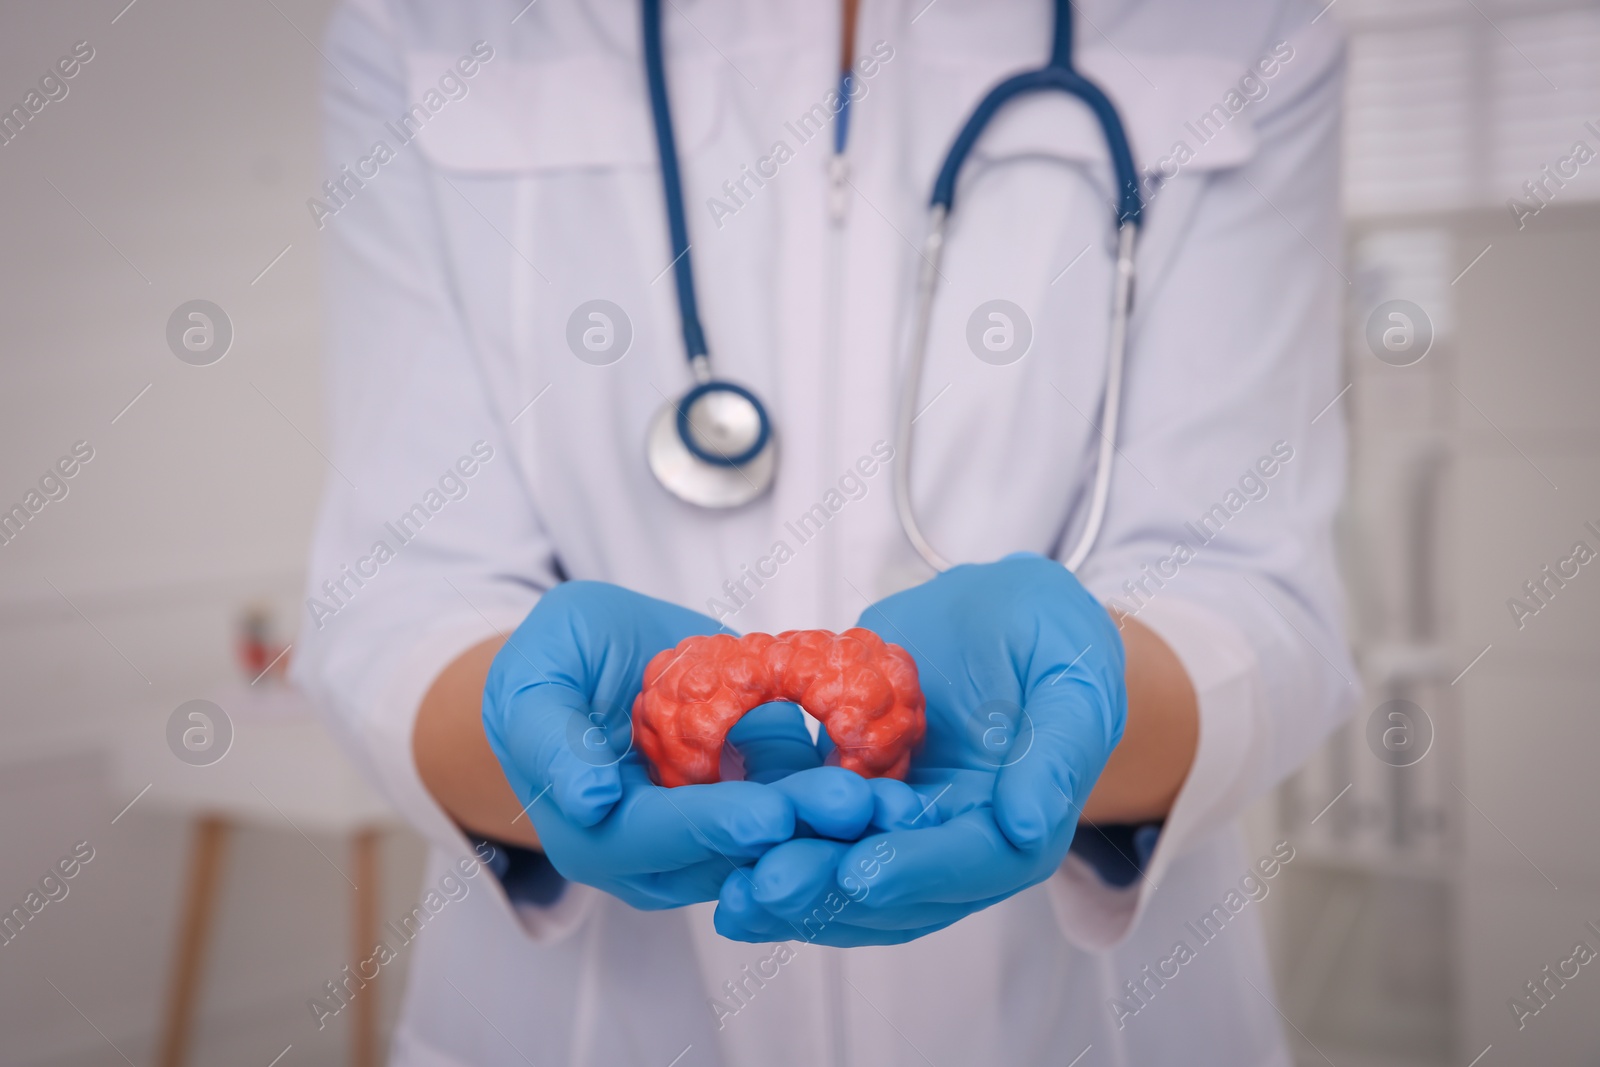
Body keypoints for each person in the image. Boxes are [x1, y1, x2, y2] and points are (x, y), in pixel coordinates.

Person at [294, 0, 1353, 1063]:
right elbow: (397, 598)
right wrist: (529, 735)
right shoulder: (418, 24)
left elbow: (1256, 590)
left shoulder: (1242, 23)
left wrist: (1088, 701)